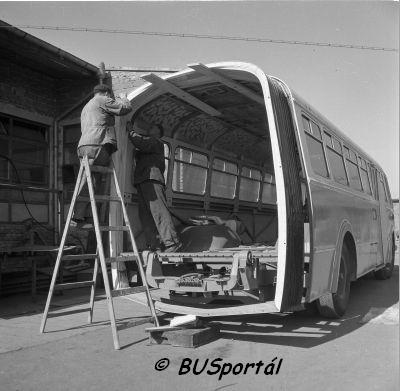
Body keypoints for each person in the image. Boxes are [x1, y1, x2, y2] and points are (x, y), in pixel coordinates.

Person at [73, 84, 132, 224]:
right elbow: (124, 109)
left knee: (90, 180)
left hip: (84, 145)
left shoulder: (86, 107)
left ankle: (85, 215)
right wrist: (124, 99)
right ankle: (79, 214)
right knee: (90, 181)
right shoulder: (102, 99)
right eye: (110, 96)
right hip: (97, 143)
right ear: (106, 93)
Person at [127, 118, 182, 252]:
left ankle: (172, 243)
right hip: (143, 180)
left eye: (153, 128)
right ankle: (154, 245)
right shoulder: (150, 146)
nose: (149, 129)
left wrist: (131, 132)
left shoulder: (156, 142)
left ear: (159, 133)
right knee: (145, 215)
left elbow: (142, 143)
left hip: (152, 179)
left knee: (159, 212)